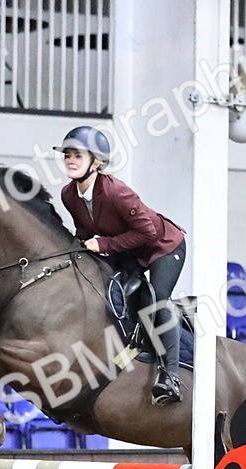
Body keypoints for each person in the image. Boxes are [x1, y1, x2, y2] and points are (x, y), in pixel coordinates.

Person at [54, 126, 187, 405]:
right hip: (127, 250)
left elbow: (148, 233)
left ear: (97, 163)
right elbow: (84, 232)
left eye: (77, 155)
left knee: (156, 300)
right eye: (67, 155)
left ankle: (170, 377)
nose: (70, 160)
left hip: (162, 246)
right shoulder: (69, 195)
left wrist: (103, 245)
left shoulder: (116, 192)